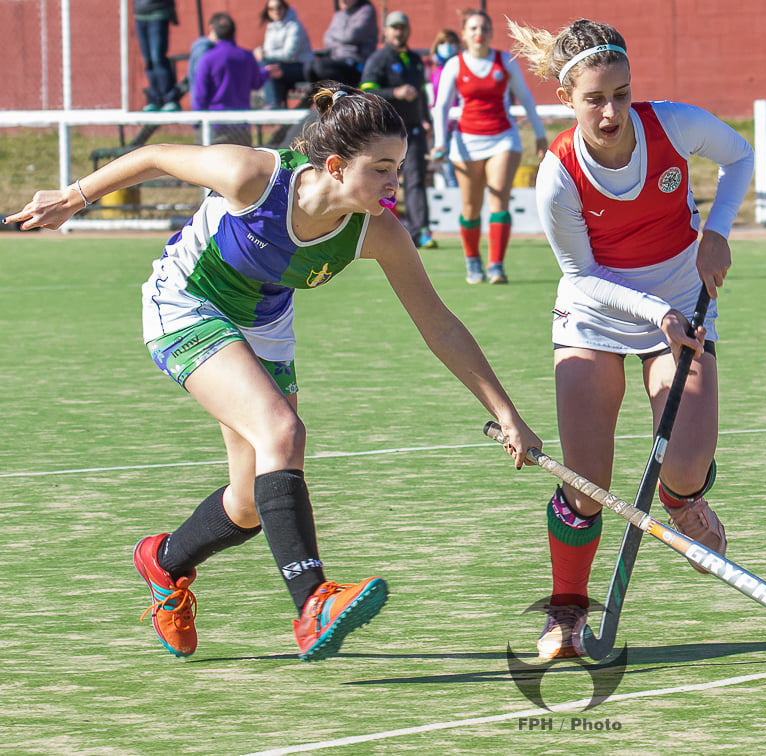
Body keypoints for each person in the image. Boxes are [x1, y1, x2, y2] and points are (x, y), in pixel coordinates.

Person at [4, 84, 542, 662]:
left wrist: (506, 413)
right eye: (382, 169)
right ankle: (313, 603)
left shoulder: (379, 232)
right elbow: (157, 154)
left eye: (400, 168)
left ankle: (164, 564)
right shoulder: (250, 176)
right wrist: (74, 196)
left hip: (263, 325)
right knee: (282, 432)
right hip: (188, 302)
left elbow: (439, 325)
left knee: (249, 502)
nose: (395, 184)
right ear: (335, 166)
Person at [510, 18, 754, 658]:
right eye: (595, 99)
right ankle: (565, 613)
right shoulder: (558, 174)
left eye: (621, 93)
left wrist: (718, 229)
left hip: (680, 299)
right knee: (586, 480)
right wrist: (654, 314)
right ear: (567, 100)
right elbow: (580, 276)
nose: (612, 111)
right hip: (597, 310)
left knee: (683, 463)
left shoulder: (672, 124)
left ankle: (683, 500)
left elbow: (740, 155)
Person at [431, 9, 548, 285]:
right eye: (472, 28)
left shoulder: (505, 61)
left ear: (491, 32)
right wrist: (439, 142)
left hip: (503, 139)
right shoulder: (455, 65)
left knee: (499, 202)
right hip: (466, 144)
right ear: (464, 34)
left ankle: (496, 265)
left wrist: (541, 136)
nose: (478, 33)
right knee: (471, 207)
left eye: (483, 27)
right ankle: (473, 261)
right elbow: (441, 107)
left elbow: (527, 100)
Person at [361, 11, 434, 249]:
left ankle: (419, 231)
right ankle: (379, 230)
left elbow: (422, 93)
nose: (399, 31)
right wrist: (395, 93)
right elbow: (367, 93)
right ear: (386, 31)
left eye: (402, 27)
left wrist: (427, 120)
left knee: (415, 181)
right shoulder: (378, 59)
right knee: (383, 181)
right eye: (394, 27)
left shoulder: (414, 59)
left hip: (413, 131)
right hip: (386, 133)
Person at [192, 13, 274, 146]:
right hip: (241, 126)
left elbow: (200, 94)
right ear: (234, 31)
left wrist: (196, 122)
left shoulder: (208, 58)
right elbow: (256, 82)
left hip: (215, 125)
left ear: (212, 29)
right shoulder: (247, 56)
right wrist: (266, 72)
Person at [255, 0, 315, 109]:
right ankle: (273, 102)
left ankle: (273, 103)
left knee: (269, 67)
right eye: (271, 9)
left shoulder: (294, 26)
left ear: (285, 8)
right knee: (267, 65)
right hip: (281, 67)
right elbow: (269, 51)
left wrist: (265, 53)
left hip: (301, 67)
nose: (276, 11)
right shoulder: (271, 27)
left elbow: (289, 54)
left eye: (278, 7)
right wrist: (260, 52)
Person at [306, 0, 378, 88]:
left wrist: (335, 37)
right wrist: (341, 41)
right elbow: (327, 39)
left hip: (355, 63)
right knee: (309, 66)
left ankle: (340, 95)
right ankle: (319, 98)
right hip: (335, 58)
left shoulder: (367, 11)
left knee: (321, 66)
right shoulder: (339, 15)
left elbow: (351, 35)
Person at [427, 28, 462, 190]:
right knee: (446, 169)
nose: (447, 46)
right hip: (441, 126)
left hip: (458, 125)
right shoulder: (437, 71)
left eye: (451, 43)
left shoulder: (460, 68)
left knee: (457, 168)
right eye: (443, 43)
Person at [135, 0, 180, 111]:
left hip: (158, 12)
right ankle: (155, 100)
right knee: (148, 59)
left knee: (158, 58)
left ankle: (170, 98)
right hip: (140, 14)